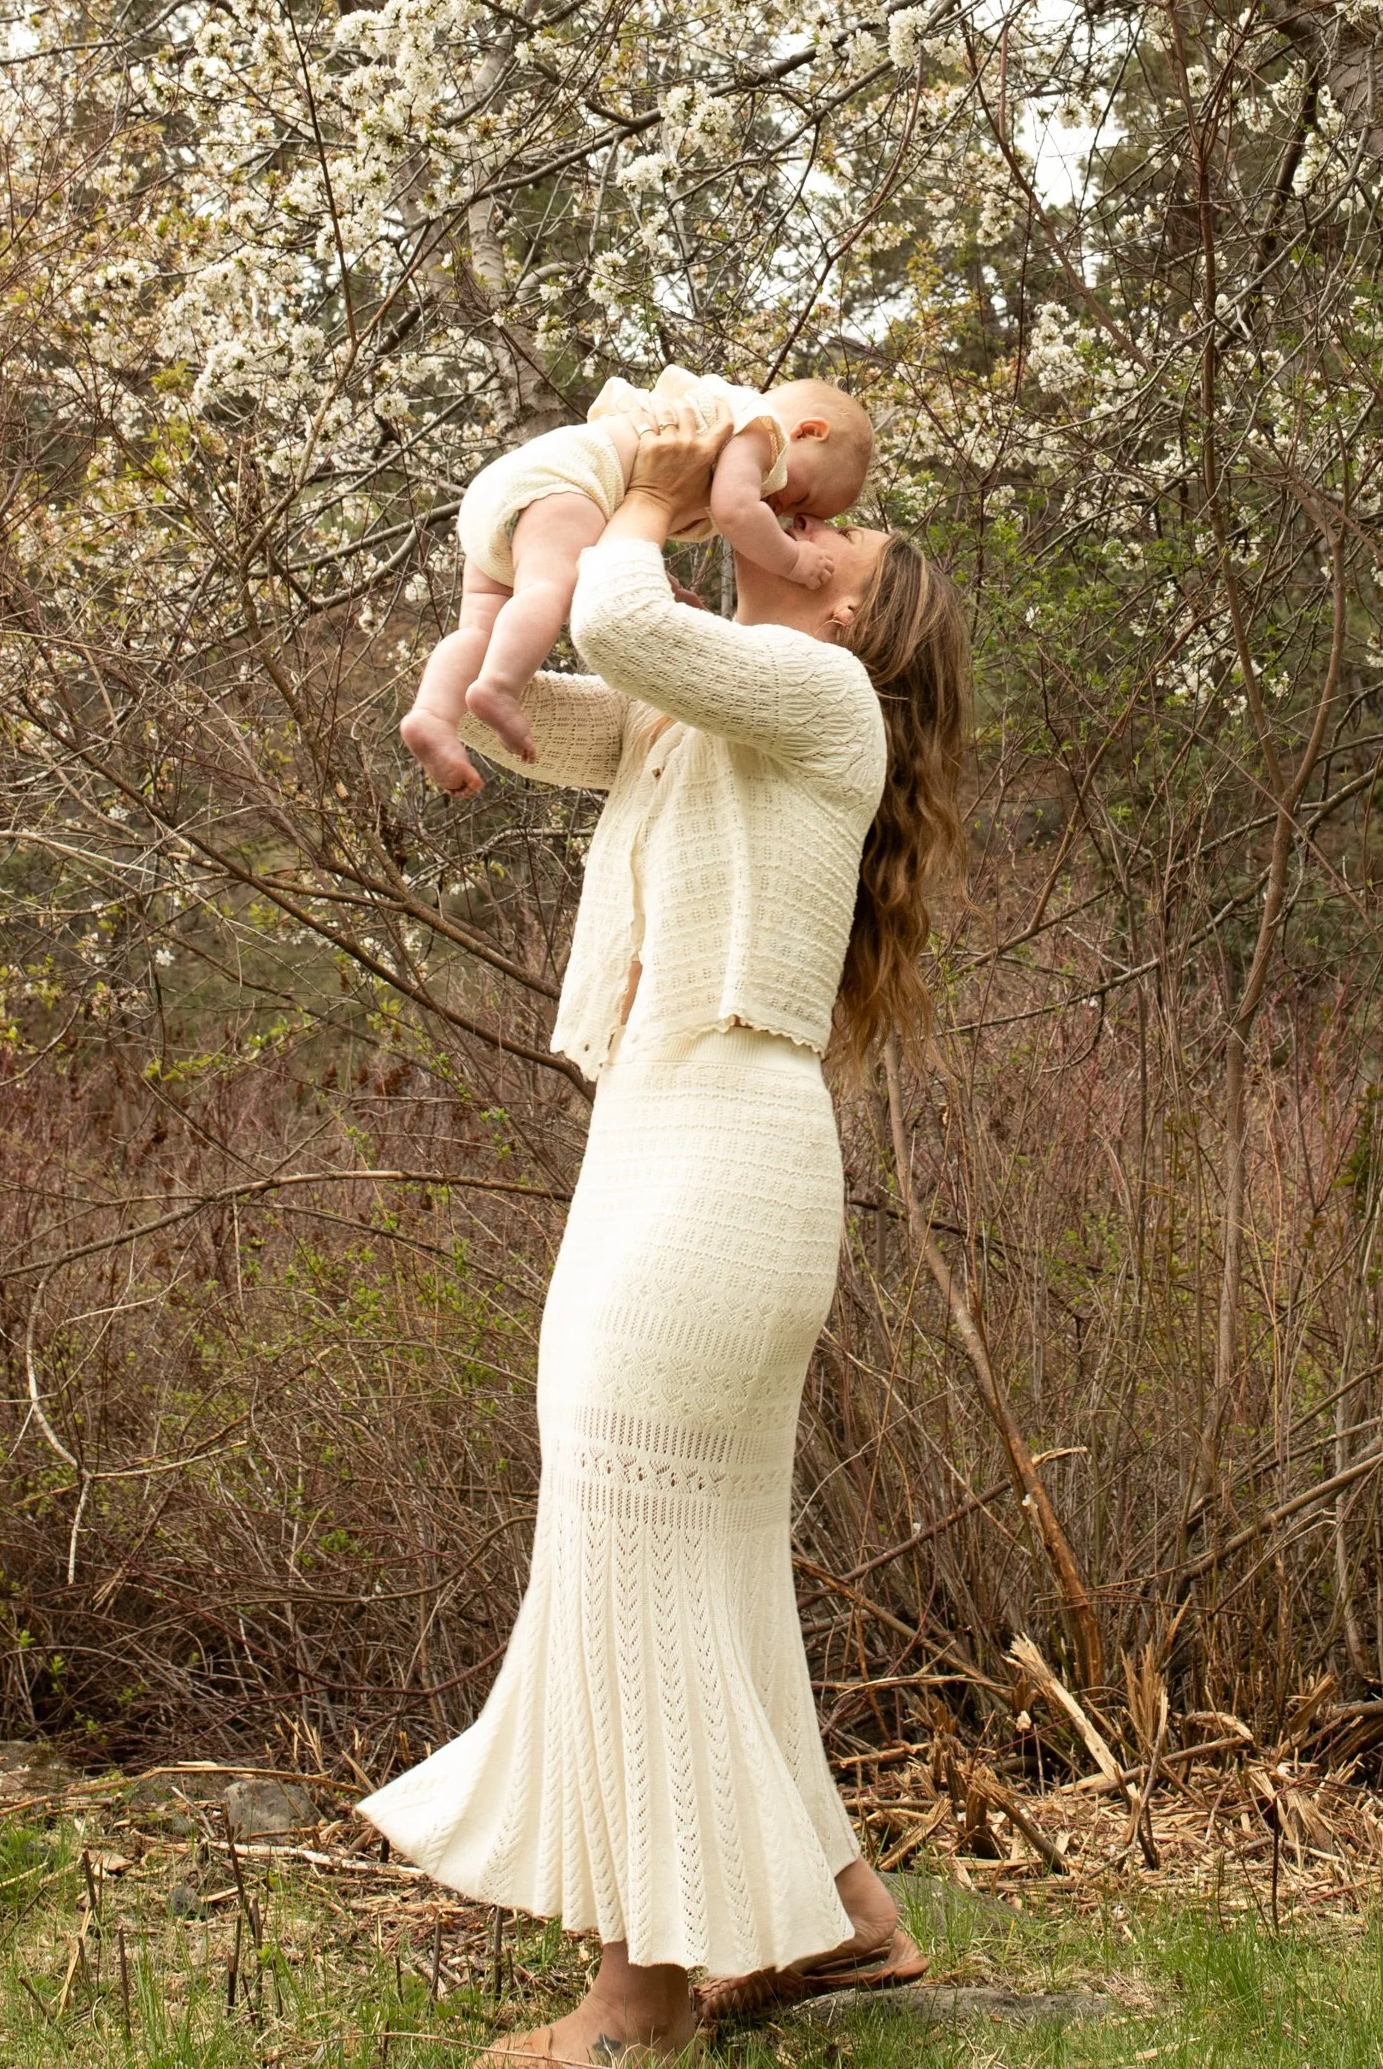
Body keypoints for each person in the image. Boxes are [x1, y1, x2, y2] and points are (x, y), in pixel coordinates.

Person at [361, 395, 968, 2064]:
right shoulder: (693, 708)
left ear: (847, 610)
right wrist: (515, 565)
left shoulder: (824, 696)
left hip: (729, 1152)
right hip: (655, 1130)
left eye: (829, 534)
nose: (792, 521)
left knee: (627, 1535)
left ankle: (635, 2005)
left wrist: (644, 494)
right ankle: (839, 1913)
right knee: (681, 1553)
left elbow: (628, 612)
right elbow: (544, 713)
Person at [399, 367, 876, 792]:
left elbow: (615, 543)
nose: (787, 514)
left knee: (479, 631)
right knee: (546, 588)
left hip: (507, 494)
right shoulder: (757, 429)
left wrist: (658, 586)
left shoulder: (827, 699)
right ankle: (499, 684)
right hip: (564, 484)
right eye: (804, 499)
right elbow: (735, 511)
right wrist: (793, 561)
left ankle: (433, 713)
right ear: (808, 431)